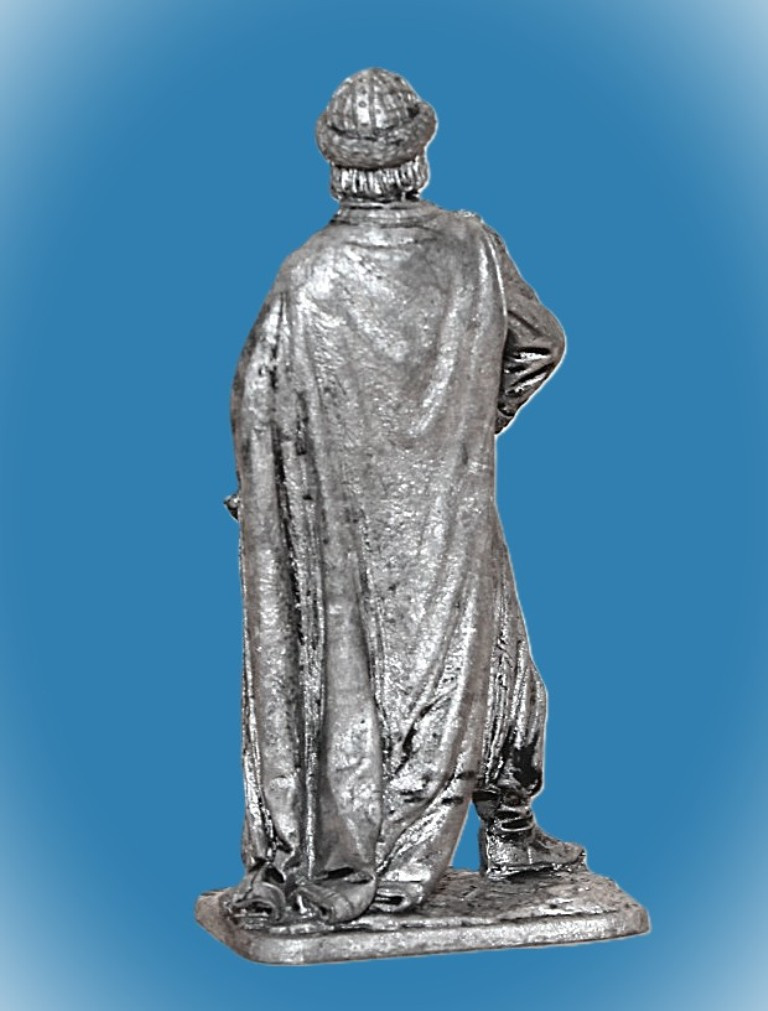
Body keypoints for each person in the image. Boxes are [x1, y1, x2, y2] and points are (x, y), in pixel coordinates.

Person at [227, 68, 584, 926]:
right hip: (452, 514)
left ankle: (505, 835)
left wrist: (269, 494)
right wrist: (471, 425)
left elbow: (259, 401)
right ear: (418, 158)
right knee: (494, 662)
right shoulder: (473, 247)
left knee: (372, 675)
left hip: (346, 526)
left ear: (336, 169)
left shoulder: (308, 277)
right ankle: (506, 826)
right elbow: (540, 342)